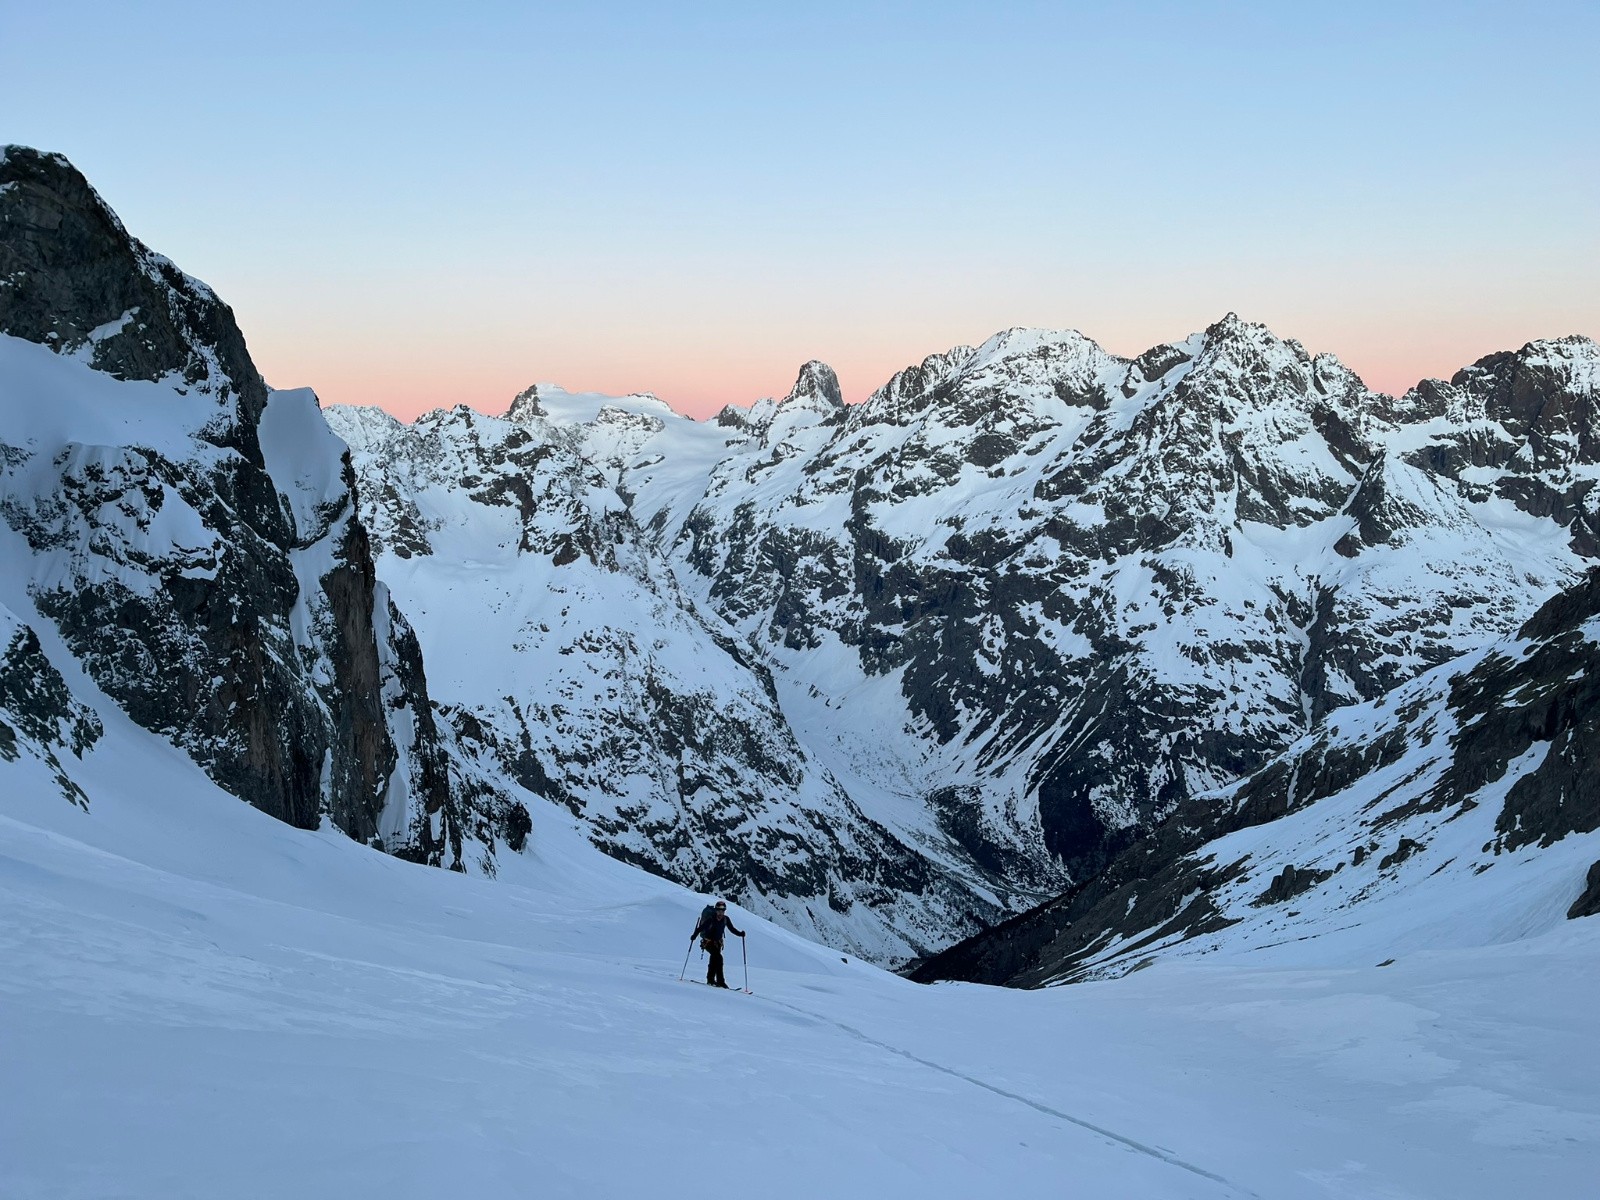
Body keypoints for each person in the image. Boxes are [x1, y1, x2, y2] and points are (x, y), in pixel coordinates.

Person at [690, 900, 745, 988]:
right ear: (716, 910)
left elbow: (732, 929)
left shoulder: (726, 919)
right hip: (708, 942)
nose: (720, 913)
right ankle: (720, 981)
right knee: (718, 958)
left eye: (722, 911)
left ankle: (710, 980)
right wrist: (694, 936)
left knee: (714, 959)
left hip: (718, 943)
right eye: (719, 910)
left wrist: (740, 934)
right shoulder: (711, 919)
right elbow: (700, 928)